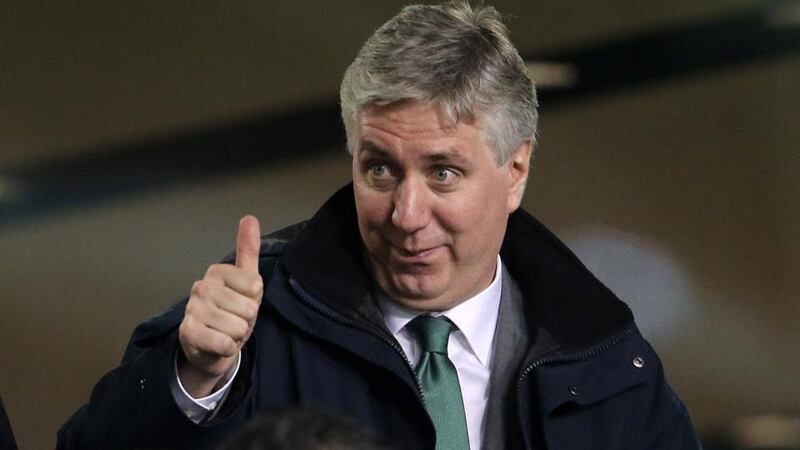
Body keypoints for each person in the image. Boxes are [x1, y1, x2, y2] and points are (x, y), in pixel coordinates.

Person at [58, 2, 700, 449]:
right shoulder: (244, 326)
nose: (406, 214)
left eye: (443, 172)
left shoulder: (609, 361)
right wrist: (192, 382)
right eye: (381, 169)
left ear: (516, 171)